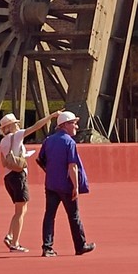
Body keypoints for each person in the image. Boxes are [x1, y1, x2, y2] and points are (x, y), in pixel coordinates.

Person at [36, 110, 94, 257]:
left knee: (49, 215)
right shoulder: (69, 142)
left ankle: (47, 247)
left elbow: (40, 159)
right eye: (74, 123)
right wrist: (75, 186)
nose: (76, 126)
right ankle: (80, 245)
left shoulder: (48, 140)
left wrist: (51, 171)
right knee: (74, 216)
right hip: (66, 186)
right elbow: (72, 166)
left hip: (51, 184)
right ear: (65, 125)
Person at [0, 110, 40, 252]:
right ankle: (15, 243)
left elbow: (4, 162)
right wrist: (51, 116)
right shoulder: (17, 135)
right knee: (20, 211)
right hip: (18, 176)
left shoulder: (3, 141)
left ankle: (10, 235)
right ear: (11, 126)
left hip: (9, 177)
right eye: (16, 124)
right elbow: (35, 127)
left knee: (20, 209)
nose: (18, 126)